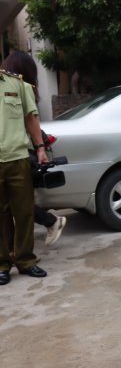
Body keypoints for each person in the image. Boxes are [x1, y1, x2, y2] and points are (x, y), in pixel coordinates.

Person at [1, 51, 67, 247]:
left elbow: (32, 119)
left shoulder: (20, 88)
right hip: (14, 154)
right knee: (13, 206)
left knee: (18, 206)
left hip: (21, 155)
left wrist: (39, 148)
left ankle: (49, 224)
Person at [0, 51, 49, 285]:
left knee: (24, 213)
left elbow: (31, 117)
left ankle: (26, 261)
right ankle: (2, 265)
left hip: (18, 158)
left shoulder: (16, 83)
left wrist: (40, 148)